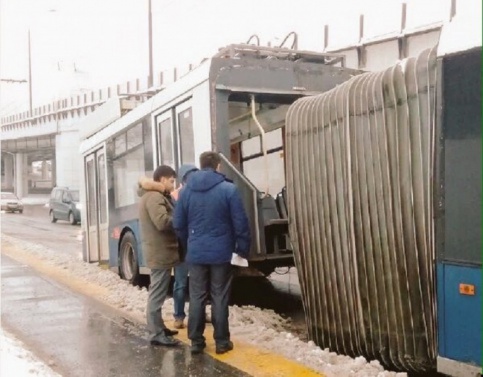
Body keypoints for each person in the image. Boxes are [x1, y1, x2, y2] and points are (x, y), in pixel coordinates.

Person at [173, 151, 250, 355]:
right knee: (219, 296)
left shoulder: (186, 192)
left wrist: (189, 244)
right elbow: (241, 223)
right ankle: (222, 342)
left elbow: (178, 224)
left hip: (196, 253)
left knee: (197, 296)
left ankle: (197, 341)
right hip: (221, 253)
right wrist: (242, 249)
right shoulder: (229, 189)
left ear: (200, 165)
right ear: (218, 166)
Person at [138, 165, 180, 347]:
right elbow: (162, 222)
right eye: (171, 181)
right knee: (157, 294)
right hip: (160, 252)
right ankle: (155, 333)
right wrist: (181, 219)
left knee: (159, 292)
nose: (173, 184)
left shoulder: (153, 195)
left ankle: (159, 327)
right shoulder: (154, 197)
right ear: (162, 180)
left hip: (160, 250)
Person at [170, 163, 198, 329]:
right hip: (190, 246)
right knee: (196, 284)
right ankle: (187, 315)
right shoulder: (190, 194)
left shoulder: (175, 196)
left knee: (181, 284)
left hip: (182, 246)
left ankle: (179, 317)